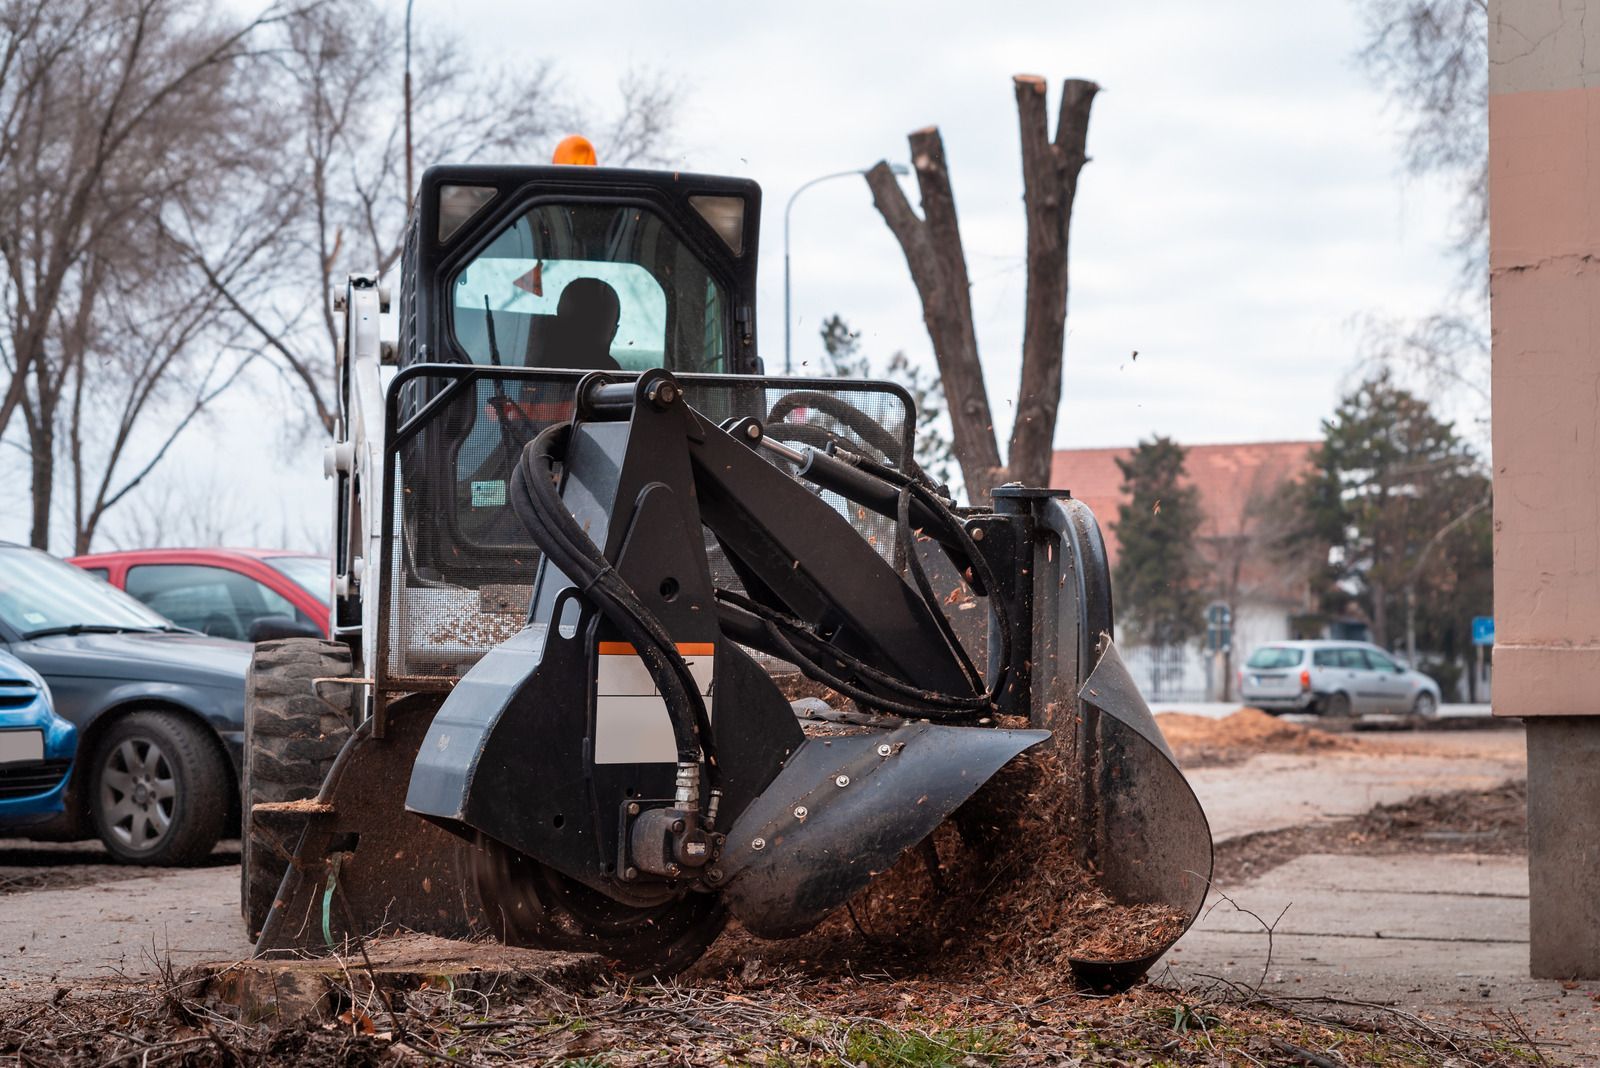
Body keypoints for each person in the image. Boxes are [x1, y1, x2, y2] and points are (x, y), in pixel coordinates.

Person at [552, 277, 622, 371]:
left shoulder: (535, 365)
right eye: (576, 324)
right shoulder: (615, 378)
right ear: (613, 333)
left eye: (594, 328)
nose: (583, 334)